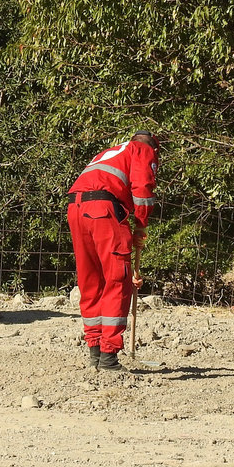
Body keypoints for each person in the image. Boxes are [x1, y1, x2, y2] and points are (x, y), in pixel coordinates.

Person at [67, 130, 159, 371]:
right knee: (118, 278)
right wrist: (141, 225)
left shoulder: (108, 153)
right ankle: (109, 357)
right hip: (104, 209)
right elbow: (143, 190)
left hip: (75, 208)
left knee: (90, 280)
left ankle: (95, 351)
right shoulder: (143, 150)